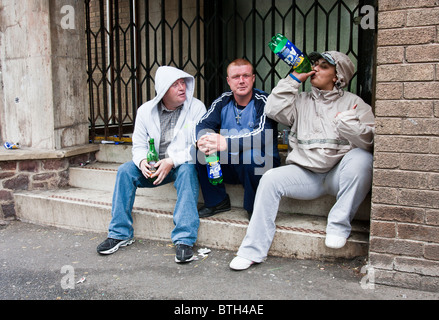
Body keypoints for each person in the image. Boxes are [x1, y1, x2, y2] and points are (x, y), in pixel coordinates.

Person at [230, 51, 375, 270]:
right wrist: (294, 78)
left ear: (338, 76)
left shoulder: (354, 103)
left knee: (363, 159)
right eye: (315, 64)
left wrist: (347, 125)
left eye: (324, 66)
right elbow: (273, 109)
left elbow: (371, 141)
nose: (315, 68)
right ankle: (251, 251)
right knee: (269, 179)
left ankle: (337, 225)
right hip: (306, 176)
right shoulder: (300, 100)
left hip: (338, 175)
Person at [97, 66, 206, 263]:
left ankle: (184, 239)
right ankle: (119, 233)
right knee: (125, 171)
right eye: (175, 84)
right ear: (164, 89)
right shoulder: (145, 111)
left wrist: (172, 161)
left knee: (188, 171)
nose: (182, 88)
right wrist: (142, 161)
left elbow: (198, 145)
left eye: (183, 83)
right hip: (154, 166)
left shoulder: (196, 108)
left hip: (180, 164)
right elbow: (138, 145)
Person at [195, 59, 280, 220]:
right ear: (228, 81)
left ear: (253, 78)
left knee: (252, 156)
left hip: (261, 164)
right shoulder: (223, 100)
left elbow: (262, 136)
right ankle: (217, 201)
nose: (241, 81)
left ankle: (254, 207)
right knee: (203, 149)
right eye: (236, 77)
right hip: (233, 164)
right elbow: (203, 124)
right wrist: (202, 140)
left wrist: (226, 142)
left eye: (246, 76)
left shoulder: (264, 101)